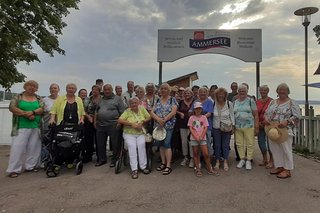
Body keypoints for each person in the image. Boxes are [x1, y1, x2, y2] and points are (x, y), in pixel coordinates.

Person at [6, 80, 44, 178]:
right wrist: (26, 114)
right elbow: (12, 108)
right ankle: (14, 169)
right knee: (17, 148)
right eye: (30, 85)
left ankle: (30, 166)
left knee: (34, 148)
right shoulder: (18, 97)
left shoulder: (38, 98)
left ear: (37, 89)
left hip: (35, 126)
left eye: (34, 86)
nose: (32, 88)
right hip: (20, 126)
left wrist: (33, 112)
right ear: (25, 87)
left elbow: (42, 108)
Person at [264, 83, 300, 179]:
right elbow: (267, 113)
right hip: (273, 129)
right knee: (275, 149)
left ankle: (287, 170)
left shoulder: (292, 102)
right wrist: (266, 118)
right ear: (277, 91)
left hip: (285, 130)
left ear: (287, 91)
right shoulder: (273, 102)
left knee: (286, 149)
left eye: (284, 90)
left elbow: (297, 116)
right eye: (280, 89)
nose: (281, 91)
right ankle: (279, 167)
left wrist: (287, 121)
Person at [118, 97, 151, 179]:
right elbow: (120, 120)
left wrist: (142, 122)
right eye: (132, 103)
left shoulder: (142, 109)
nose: (134, 104)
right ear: (130, 105)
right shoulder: (127, 111)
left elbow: (149, 117)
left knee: (141, 145)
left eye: (135, 102)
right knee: (132, 147)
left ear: (138, 103)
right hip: (129, 133)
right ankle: (134, 169)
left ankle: (143, 167)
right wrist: (131, 124)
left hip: (140, 133)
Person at [94, 84, 126, 167]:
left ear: (112, 90)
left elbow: (123, 112)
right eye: (105, 90)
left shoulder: (117, 99)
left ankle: (115, 160)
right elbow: (97, 111)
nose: (107, 91)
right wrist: (95, 121)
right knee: (100, 144)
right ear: (103, 91)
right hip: (101, 125)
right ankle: (102, 159)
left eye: (108, 89)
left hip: (114, 124)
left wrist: (119, 123)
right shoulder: (101, 99)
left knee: (115, 144)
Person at [150, 83, 178, 175]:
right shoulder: (157, 100)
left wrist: (164, 120)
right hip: (158, 126)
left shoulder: (172, 100)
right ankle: (163, 163)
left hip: (168, 126)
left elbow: (173, 112)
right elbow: (151, 112)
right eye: (162, 88)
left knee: (167, 144)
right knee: (160, 144)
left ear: (169, 90)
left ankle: (168, 165)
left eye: (165, 89)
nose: (163, 90)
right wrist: (158, 119)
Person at [188, 102, 217, 177]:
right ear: (194, 110)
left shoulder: (204, 117)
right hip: (194, 138)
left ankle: (209, 168)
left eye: (199, 108)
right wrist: (196, 136)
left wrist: (201, 136)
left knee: (206, 154)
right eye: (196, 109)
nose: (198, 110)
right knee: (196, 153)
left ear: (201, 109)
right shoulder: (192, 118)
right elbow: (191, 128)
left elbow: (205, 127)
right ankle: (197, 168)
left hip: (202, 138)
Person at [233, 84, 259, 170]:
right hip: (238, 126)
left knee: (250, 143)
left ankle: (248, 160)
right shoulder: (235, 102)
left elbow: (255, 115)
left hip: (249, 126)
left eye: (243, 91)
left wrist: (256, 126)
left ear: (247, 91)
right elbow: (233, 115)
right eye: (240, 91)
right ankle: (242, 159)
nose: (241, 92)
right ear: (238, 92)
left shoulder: (251, 101)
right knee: (239, 143)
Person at [212, 88, 235, 171]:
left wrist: (233, 127)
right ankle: (217, 161)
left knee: (225, 145)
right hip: (216, 127)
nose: (221, 95)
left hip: (226, 127)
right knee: (217, 145)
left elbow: (232, 116)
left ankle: (225, 161)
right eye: (219, 93)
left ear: (225, 95)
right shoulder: (213, 103)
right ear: (216, 95)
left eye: (222, 94)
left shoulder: (229, 104)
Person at [190, 87, 214, 158]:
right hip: (197, 127)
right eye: (201, 92)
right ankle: (199, 160)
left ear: (207, 93)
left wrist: (201, 119)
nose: (203, 93)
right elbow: (191, 110)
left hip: (207, 126)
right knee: (197, 143)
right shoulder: (196, 101)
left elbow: (210, 113)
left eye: (204, 92)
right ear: (198, 93)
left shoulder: (209, 102)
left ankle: (208, 159)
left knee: (207, 143)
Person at [176, 88, 195, 167]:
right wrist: (180, 113)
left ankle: (192, 158)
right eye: (186, 93)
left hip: (193, 125)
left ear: (191, 94)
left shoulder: (195, 102)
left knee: (191, 142)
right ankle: (185, 157)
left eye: (189, 93)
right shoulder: (180, 102)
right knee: (184, 142)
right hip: (182, 124)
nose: (187, 94)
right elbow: (175, 110)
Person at [83, 85, 102, 163]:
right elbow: (83, 110)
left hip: (99, 121)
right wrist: (88, 117)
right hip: (89, 121)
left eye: (96, 90)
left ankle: (99, 156)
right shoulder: (88, 99)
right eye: (93, 89)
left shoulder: (103, 99)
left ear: (99, 91)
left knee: (99, 139)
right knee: (88, 139)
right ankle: (88, 156)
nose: (94, 91)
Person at [256, 85, 273, 168]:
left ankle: (271, 161)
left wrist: (266, 121)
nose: (263, 92)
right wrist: (257, 123)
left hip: (269, 125)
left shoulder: (272, 101)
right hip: (260, 125)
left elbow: (274, 113)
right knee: (261, 143)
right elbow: (255, 113)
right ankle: (264, 159)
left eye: (264, 90)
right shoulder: (257, 101)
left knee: (270, 144)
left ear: (268, 91)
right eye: (261, 90)